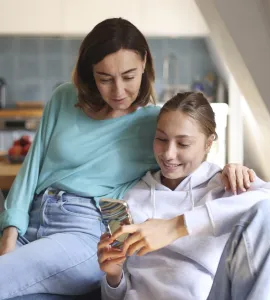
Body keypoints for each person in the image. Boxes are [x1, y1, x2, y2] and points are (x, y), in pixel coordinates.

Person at [0, 18, 253, 299]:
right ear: (90, 73)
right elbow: (30, 170)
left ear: (144, 63)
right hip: (34, 219)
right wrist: (10, 233)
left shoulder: (154, 126)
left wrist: (230, 168)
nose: (118, 91)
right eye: (105, 78)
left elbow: (190, 159)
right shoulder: (64, 98)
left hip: (85, 233)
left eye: (129, 76)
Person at [98, 92, 270, 300]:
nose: (168, 154)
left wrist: (177, 226)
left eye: (183, 144)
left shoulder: (227, 185)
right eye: (161, 139)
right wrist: (114, 277)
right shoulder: (132, 197)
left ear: (208, 143)